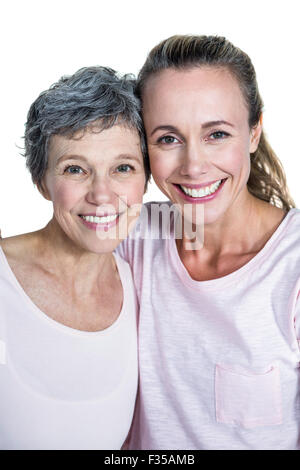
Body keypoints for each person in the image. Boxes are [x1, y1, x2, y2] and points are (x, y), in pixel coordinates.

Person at [117, 35, 300, 450]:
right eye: (168, 139)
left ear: (254, 132)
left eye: (216, 134)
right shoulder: (132, 235)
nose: (194, 166)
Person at [0, 66, 149, 450]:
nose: (102, 194)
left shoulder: (143, 286)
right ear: (41, 181)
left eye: (123, 168)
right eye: (75, 169)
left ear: (146, 180)